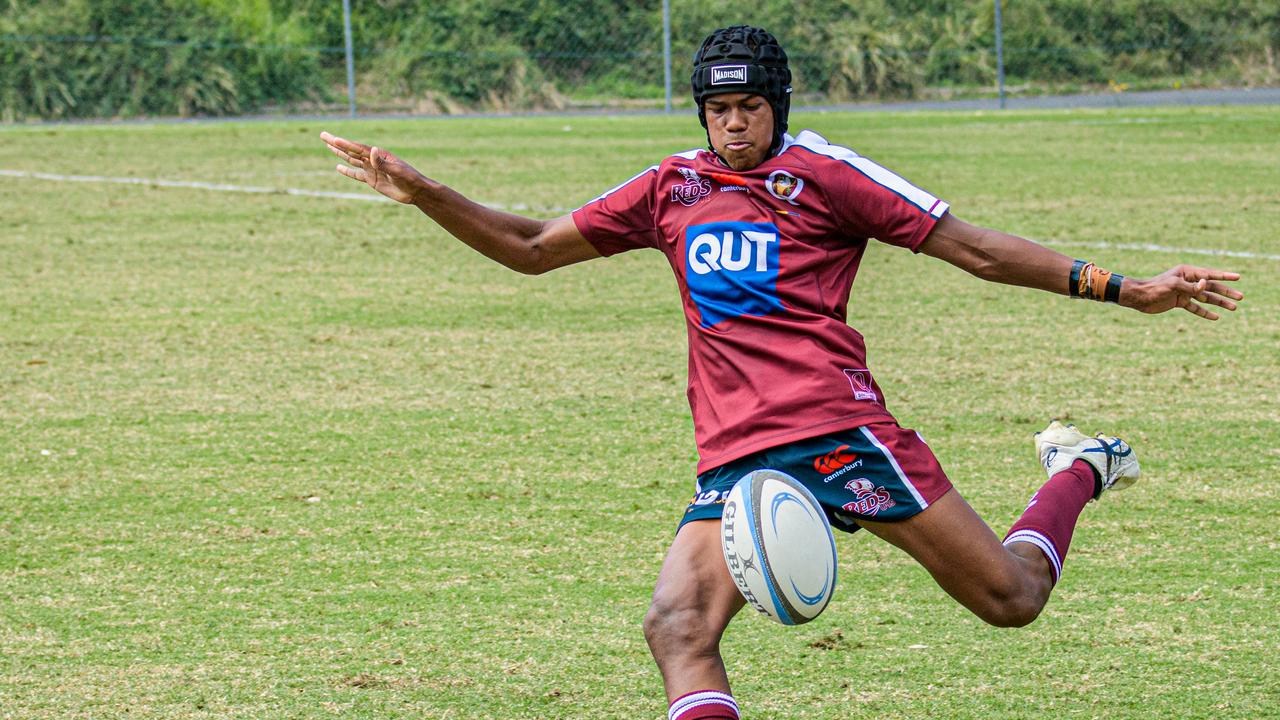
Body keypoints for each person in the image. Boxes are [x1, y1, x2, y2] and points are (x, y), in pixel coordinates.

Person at [321, 25, 1243, 720]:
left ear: (779, 106)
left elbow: (976, 251)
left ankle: (1078, 468)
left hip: (841, 435)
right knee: (677, 628)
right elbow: (529, 247)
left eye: (749, 107)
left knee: (1010, 600)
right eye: (717, 109)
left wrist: (1127, 290)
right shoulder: (667, 190)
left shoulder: (825, 176)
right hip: (734, 459)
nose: (732, 124)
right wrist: (424, 191)